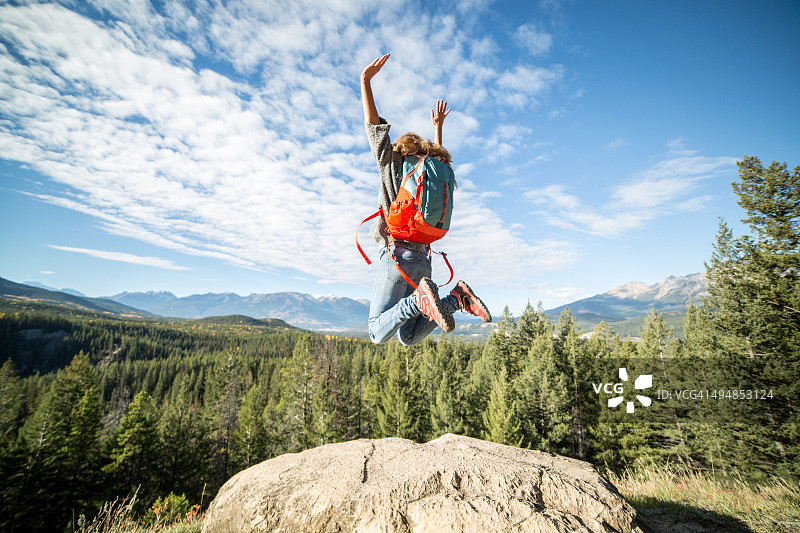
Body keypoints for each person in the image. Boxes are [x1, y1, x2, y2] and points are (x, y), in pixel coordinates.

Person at [361, 53, 492, 346]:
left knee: (375, 333)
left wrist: (365, 81)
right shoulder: (434, 169)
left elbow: (373, 128)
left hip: (398, 256)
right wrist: (438, 129)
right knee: (408, 336)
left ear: (399, 148)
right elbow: (438, 166)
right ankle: (455, 299)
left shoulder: (391, 163)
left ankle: (419, 299)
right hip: (424, 260)